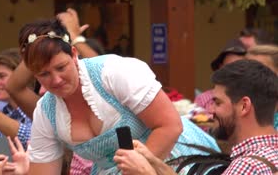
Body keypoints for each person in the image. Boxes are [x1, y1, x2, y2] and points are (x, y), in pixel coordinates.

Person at [17, 19, 219, 174]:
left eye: (61, 67)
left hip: (171, 159)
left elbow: (170, 126)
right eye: (44, 74)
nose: (56, 80)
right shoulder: (46, 111)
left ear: (74, 53)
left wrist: (141, 168)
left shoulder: (112, 72)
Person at [114, 59, 278, 174]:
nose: (211, 110)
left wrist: (146, 172)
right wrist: (154, 162)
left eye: (218, 103)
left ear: (244, 106)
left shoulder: (247, 167)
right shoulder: (269, 155)